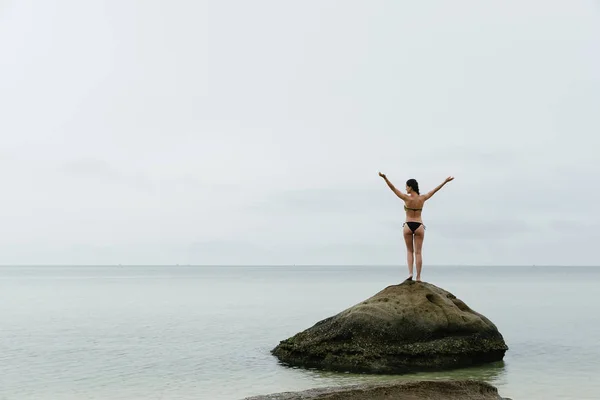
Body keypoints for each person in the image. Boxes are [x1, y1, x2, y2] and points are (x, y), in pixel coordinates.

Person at [378, 172, 454, 282]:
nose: (405, 189)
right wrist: (445, 182)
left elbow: (393, 188)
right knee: (418, 252)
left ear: (411, 187)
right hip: (419, 226)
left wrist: (385, 178)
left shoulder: (406, 198)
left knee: (409, 251)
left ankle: (410, 273)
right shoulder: (422, 198)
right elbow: (434, 190)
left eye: (406, 187)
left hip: (408, 225)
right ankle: (418, 277)